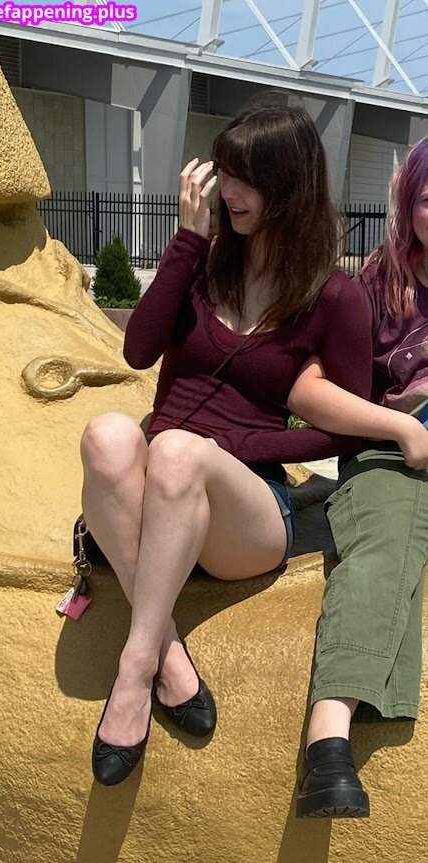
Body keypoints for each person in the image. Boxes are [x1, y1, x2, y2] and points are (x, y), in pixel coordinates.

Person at [80, 100, 373, 788]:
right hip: (166, 483)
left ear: (289, 185)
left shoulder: (334, 297)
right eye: (224, 173)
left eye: (247, 178)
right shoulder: (205, 263)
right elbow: (137, 350)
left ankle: (133, 673)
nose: (228, 191)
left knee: (178, 449)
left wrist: (233, 443)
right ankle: (165, 651)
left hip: (249, 512)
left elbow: (348, 424)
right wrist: (186, 243)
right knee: (107, 433)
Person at [289, 135, 428, 819]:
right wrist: (400, 426)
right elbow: (306, 390)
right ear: (408, 202)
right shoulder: (373, 286)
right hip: (393, 456)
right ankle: (329, 739)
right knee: (387, 541)